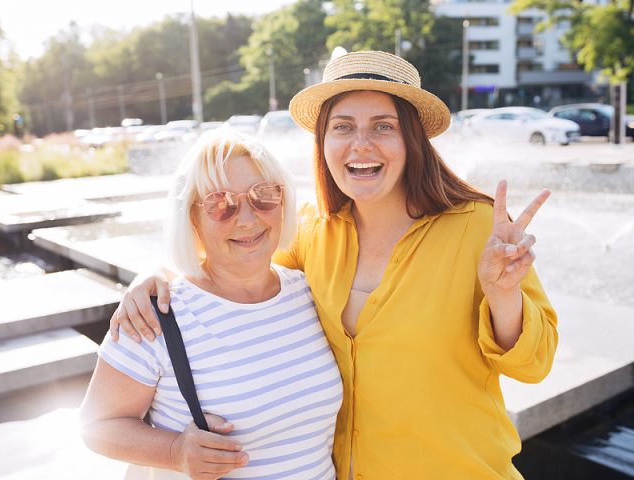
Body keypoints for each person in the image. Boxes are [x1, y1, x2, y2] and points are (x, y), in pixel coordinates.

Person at [112, 51, 557, 479]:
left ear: (411, 139)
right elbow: (234, 268)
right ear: (323, 141)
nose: (361, 144)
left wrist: (503, 295)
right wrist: (157, 275)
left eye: (383, 126)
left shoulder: (478, 227)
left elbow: (534, 366)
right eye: (343, 127)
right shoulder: (312, 231)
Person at [79, 130, 343, 480]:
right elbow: (95, 425)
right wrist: (174, 452)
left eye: (263, 196)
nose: (247, 219)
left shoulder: (308, 292)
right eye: (221, 204)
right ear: (192, 219)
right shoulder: (155, 314)